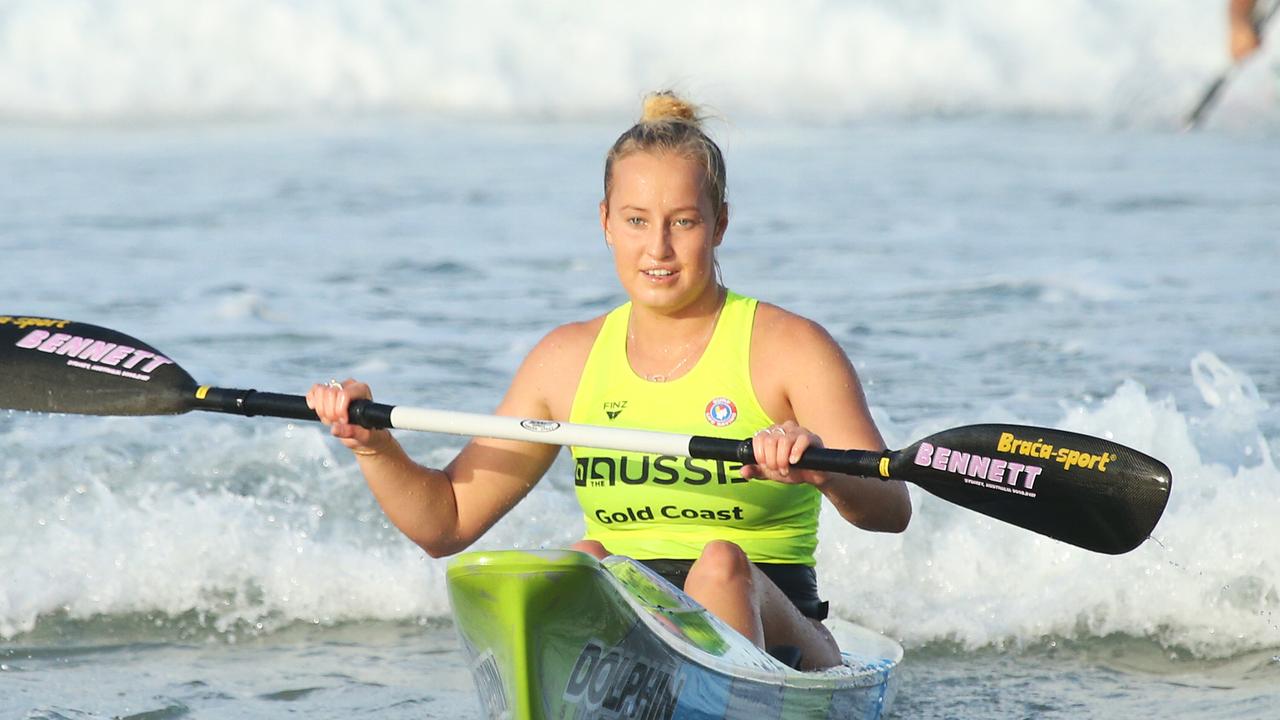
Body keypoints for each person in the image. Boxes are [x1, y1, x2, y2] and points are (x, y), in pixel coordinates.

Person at [306, 90, 911, 670]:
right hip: (633, 632)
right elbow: (447, 522)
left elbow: (892, 507)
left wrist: (825, 467)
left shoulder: (790, 347)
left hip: (778, 634)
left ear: (719, 224)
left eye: (683, 222)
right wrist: (374, 445)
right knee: (583, 562)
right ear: (605, 222)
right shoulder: (565, 360)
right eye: (637, 220)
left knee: (720, 565)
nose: (659, 248)